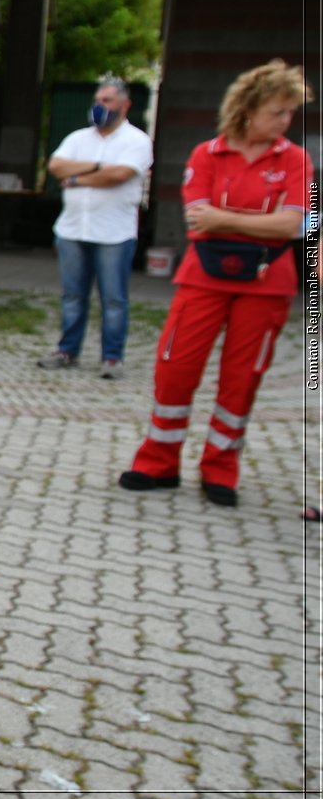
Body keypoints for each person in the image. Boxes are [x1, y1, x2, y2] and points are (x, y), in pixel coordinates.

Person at [121, 60, 313, 509]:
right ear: (247, 110)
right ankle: (158, 462)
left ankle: (221, 468)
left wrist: (227, 219)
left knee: (242, 380)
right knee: (176, 368)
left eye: (289, 113)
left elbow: (296, 226)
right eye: (277, 112)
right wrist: (260, 222)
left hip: (268, 285)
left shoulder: (297, 160)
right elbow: (196, 220)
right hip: (202, 280)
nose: (286, 122)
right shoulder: (206, 154)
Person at [37, 77, 154, 377]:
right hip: (73, 230)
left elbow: (121, 174)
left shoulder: (137, 140)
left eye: (107, 101)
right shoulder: (79, 138)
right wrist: (98, 166)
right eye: (97, 100)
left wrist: (77, 178)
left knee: (113, 298)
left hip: (114, 233)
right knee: (73, 296)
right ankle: (67, 350)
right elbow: (55, 166)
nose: (99, 106)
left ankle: (112, 358)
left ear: (125, 104)